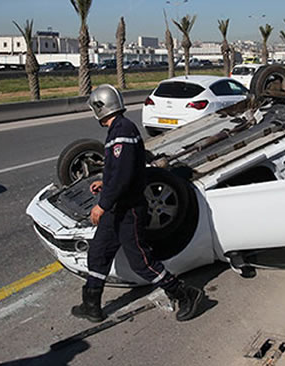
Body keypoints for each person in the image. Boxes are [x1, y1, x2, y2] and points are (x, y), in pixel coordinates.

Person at [71, 84, 203, 322]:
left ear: (101, 107)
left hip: (128, 209)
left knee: (141, 262)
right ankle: (91, 304)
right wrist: (104, 182)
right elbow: (123, 169)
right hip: (116, 208)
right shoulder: (117, 131)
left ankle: (184, 294)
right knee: (99, 253)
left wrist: (102, 204)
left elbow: (123, 176)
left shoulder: (122, 130)